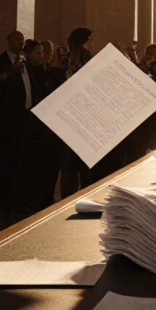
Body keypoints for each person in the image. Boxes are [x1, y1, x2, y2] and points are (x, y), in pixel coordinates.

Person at [10, 40, 62, 213]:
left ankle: (41, 198)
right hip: (29, 124)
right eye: (38, 53)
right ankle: (26, 199)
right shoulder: (23, 70)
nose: (42, 56)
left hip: (43, 125)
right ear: (28, 53)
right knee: (30, 165)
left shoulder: (43, 71)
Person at [0, 31, 28, 209]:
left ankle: (17, 197)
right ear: (9, 41)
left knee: (20, 161)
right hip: (5, 120)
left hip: (23, 119)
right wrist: (10, 72)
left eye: (23, 40)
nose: (21, 42)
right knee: (5, 161)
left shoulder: (25, 61)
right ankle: (4, 198)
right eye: (18, 40)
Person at [58, 28, 92, 195]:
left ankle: (67, 197)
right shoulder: (84, 57)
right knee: (82, 162)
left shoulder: (65, 57)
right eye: (90, 39)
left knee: (69, 165)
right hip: (82, 112)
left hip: (68, 113)